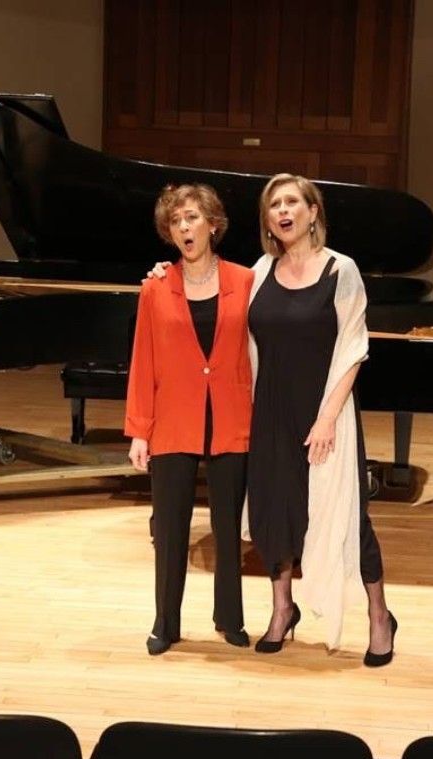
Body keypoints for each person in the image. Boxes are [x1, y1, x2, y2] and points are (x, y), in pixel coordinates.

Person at [246, 173, 397, 667]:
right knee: (275, 510)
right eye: (274, 205)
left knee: (348, 516)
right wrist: (163, 272)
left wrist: (327, 418)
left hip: (325, 411)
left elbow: (355, 347)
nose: (282, 211)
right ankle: (281, 609)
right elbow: (215, 294)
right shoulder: (261, 271)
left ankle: (379, 616)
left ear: (313, 212)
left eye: (292, 202)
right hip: (271, 411)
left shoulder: (341, 270)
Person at [124, 184, 255, 656]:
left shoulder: (246, 280)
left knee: (227, 526)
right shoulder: (155, 287)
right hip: (173, 419)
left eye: (193, 217)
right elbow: (143, 361)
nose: (184, 227)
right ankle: (166, 622)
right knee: (170, 528)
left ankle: (230, 617)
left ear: (213, 225)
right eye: (176, 220)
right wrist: (139, 430)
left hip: (230, 416)